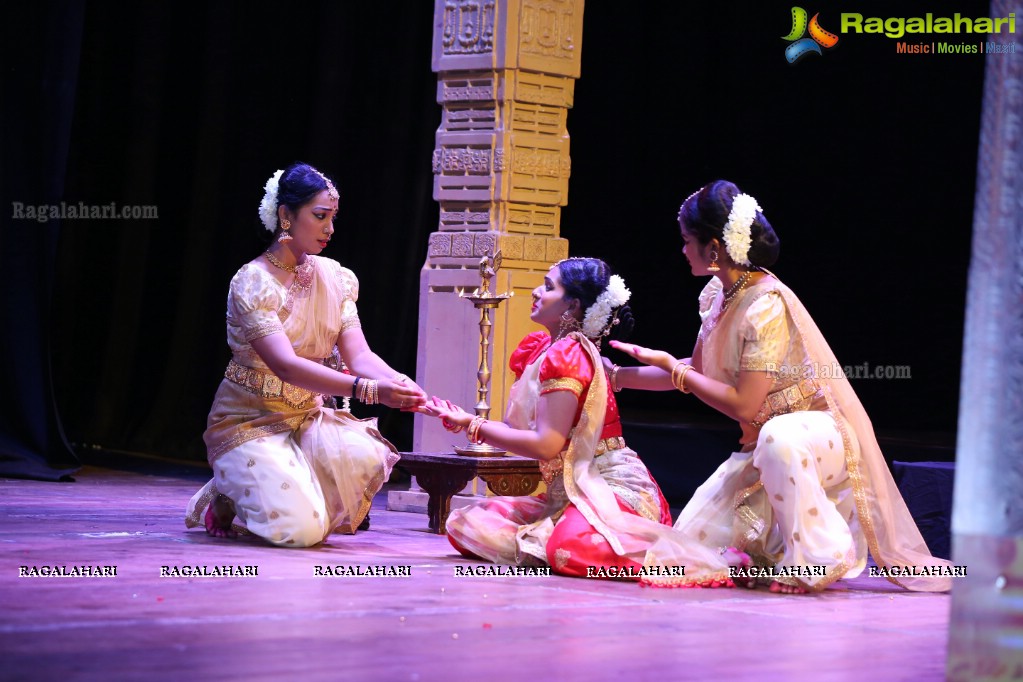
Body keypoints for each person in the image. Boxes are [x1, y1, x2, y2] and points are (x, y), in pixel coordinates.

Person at [609, 180, 951, 593]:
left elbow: (744, 404)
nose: (682, 251)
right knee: (680, 558)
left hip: (813, 438)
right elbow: (695, 372)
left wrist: (676, 370)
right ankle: (780, 548)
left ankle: (817, 558)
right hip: (767, 446)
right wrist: (618, 378)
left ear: (714, 247)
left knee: (777, 437)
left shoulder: (765, 302)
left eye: (686, 241)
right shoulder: (718, 294)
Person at [418, 257, 745, 584]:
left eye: (547, 287)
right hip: (567, 492)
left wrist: (473, 426)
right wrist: (464, 420)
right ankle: (559, 534)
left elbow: (546, 445)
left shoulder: (570, 355)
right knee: (467, 525)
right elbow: (518, 432)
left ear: (572, 305)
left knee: (567, 548)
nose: (535, 292)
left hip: (612, 488)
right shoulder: (542, 351)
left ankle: (684, 560)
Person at [185, 163, 426, 547]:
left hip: (306, 418)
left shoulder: (336, 277)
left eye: (333, 218)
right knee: (302, 531)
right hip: (248, 421)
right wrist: (372, 391)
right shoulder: (253, 282)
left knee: (363, 457)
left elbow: (359, 353)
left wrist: (398, 382)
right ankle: (226, 492)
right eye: (319, 217)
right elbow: (286, 366)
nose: (329, 229)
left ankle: (258, 490)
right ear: (285, 215)